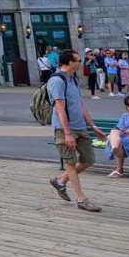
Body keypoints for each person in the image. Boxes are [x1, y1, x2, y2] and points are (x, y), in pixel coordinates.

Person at [48, 51, 104, 212]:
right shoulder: (57, 81)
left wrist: (93, 125)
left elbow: (80, 104)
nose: (81, 63)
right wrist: (67, 133)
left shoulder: (73, 79)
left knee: (89, 159)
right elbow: (59, 108)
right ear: (69, 62)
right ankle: (81, 199)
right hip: (65, 128)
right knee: (70, 163)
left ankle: (60, 181)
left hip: (80, 126)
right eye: (79, 60)